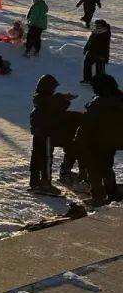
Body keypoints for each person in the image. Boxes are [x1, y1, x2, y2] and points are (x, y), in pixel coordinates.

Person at [73, 74, 123, 206]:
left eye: (95, 87)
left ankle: (98, 197)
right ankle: (112, 193)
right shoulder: (119, 99)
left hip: (96, 142)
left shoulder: (98, 103)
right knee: (107, 167)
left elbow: (87, 124)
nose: (93, 89)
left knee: (94, 169)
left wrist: (78, 139)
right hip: (112, 143)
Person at [29, 75, 77, 193]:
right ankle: (46, 184)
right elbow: (59, 108)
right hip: (46, 133)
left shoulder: (40, 98)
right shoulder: (48, 100)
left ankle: (34, 182)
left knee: (36, 158)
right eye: (53, 88)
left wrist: (61, 98)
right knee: (46, 159)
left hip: (38, 133)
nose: (54, 90)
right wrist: (65, 99)